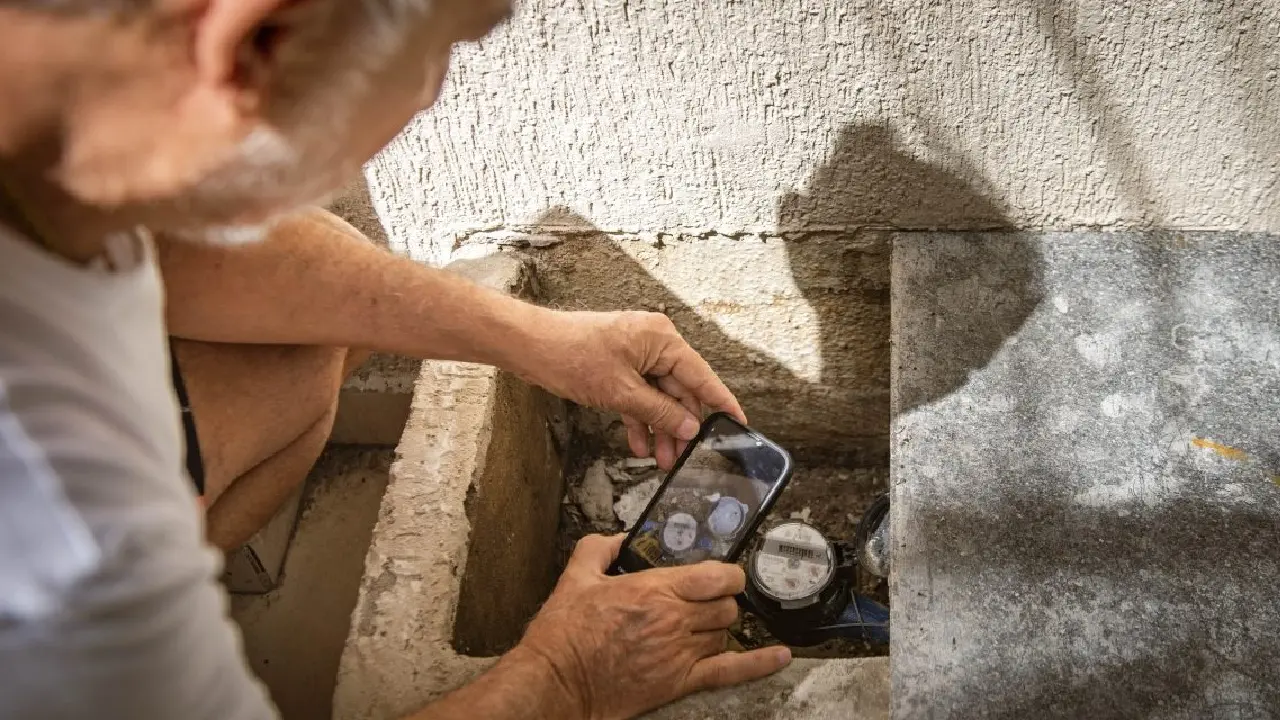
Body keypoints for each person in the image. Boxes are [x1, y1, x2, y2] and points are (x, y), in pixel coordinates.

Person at [0, 2, 792, 720]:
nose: (434, 88)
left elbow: (189, 254)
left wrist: (539, 340)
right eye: (446, 45)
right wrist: (568, 677)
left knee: (304, 354)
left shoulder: (52, 123)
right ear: (253, 37)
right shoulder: (57, 513)